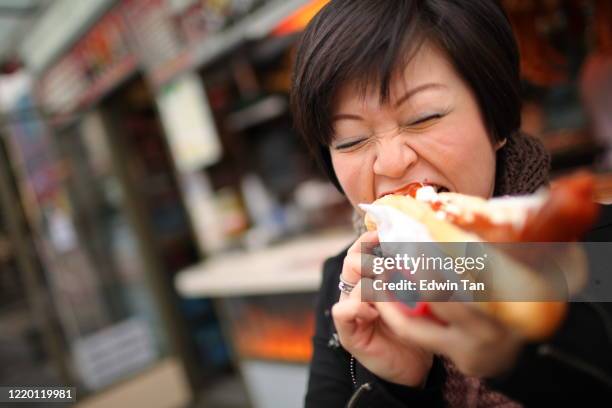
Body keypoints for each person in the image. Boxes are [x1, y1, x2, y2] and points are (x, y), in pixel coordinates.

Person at [290, 1, 612, 406]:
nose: (391, 162)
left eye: (423, 116)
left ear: (495, 121)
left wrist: (515, 358)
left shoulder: (591, 244)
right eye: (352, 141)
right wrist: (394, 384)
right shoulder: (346, 285)